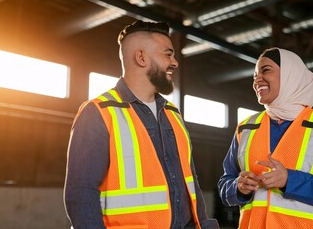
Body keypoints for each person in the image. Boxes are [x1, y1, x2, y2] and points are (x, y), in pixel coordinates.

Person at [64, 20, 219, 229]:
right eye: (168, 54)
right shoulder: (98, 113)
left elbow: (191, 184)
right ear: (141, 57)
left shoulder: (174, 115)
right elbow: (81, 194)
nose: (175, 62)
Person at [217, 47, 313, 229]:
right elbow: (224, 185)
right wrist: (238, 187)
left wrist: (289, 180)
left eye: (265, 70)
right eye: (254, 75)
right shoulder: (246, 128)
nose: (257, 80)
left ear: (292, 75)